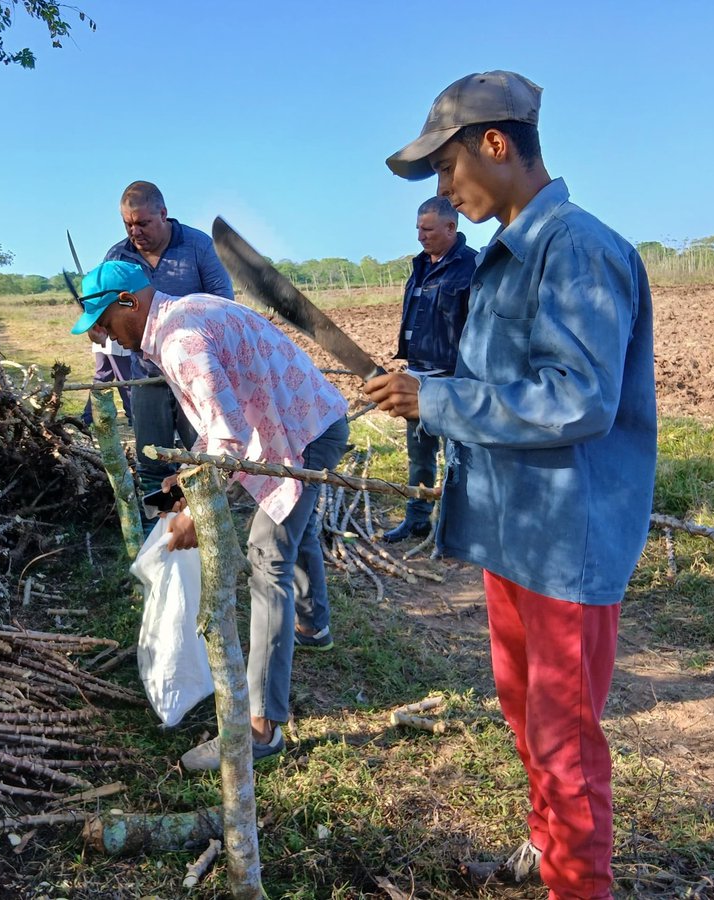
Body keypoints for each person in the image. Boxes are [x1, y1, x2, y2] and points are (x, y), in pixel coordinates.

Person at [365, 71, 656, 900]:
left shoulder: (577, 249)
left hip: (566, 541)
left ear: (495, 143)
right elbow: (500, 384)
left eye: (446, 167)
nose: (444, 189)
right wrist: (427, 389)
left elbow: (579, 399)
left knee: (566, 745)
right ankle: (545, 844)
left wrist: (439, 400)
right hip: (514, 531)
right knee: (527, 717)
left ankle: (579, 886)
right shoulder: (505, 255)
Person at [69, 260, 349, 771]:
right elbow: (223, 414)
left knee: (268, 557)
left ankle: (261, 729)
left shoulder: (180, 341)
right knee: (294, 526)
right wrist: (189, 476)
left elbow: (231, 438)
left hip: (303, 430)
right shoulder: (181, 318)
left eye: (105, 321)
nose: (105, 334)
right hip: (304, 417)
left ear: (130, 301)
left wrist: (198, 512)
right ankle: (314, 627)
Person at [103, 181, 234, 501]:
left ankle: (206, 518)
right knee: (151, 459)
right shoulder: (118, 256)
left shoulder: (197, 246)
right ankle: (159, 520)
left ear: (163, 214)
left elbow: (223, 306)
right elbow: (105, 310)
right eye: (127, 224)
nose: (135, 232)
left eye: (143, 223)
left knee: (202, 458)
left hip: (197, 374)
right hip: (147, 374)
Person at [381, 195, 475, 543]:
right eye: (418, 229)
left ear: (451, 227)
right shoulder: (419, 265)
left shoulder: (472, 267)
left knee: (457, 459)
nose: (421, 236)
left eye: (428, 230)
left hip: (452, 380)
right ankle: (417, 519)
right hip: (416, 376)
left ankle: (454, 528)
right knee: (419, 455)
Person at [80, 323, 133, 427]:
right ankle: (135, 416)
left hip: (104, 334)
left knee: (102, 378)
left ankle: (89, 416)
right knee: (126, 381)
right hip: (115, 336)